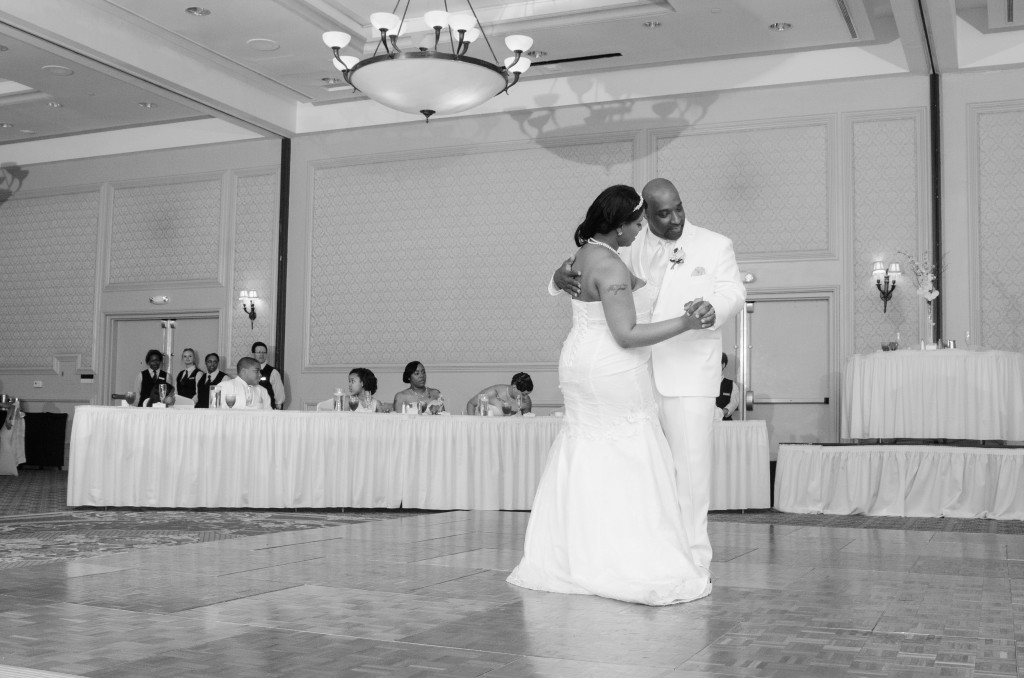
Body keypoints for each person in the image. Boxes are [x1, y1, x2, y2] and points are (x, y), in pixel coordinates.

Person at [508, 184, 711, 606]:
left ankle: (573, 552)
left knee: (586, 448)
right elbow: (627, 334)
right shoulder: (614, 267)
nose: (640, 229)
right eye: (636, 222)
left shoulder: (584, 252)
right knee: (628, 449)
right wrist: (686, 323)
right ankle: (623, 557)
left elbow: (568, 280)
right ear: (619, 225)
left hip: (579, 361)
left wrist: (554, 276)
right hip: (611, 369)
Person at [550, 178, 745, 574]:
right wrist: (557, 278)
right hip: (631, 376)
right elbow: (588, 270)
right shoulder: (628, 239)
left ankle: (693, 561)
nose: (674, 219)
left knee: (690, 476)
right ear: (644, 216)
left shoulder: (714, 244)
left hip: (687, 375)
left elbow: (734, 293)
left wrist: (713, 308)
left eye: (679, 209)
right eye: (663, 214)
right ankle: (644, 554)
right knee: (642, 476)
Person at [467, 372, 533, 415]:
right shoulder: (493, 392)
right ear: (514, 387)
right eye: (523, 394)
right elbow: (471, 404)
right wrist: (473, 424)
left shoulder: (526, 400)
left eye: (528, 394)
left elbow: (527, 423)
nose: (525, 397)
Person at [251, 341, 286, 409]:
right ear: (253, 354)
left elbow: (279, 394)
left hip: (268, 410)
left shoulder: (273, 372)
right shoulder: (248, 371)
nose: (261, 355)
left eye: (264, 352)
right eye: (259, 352)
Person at [717, 352, 740, 421]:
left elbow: (733, 403)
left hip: (725, 424)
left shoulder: (732, 385)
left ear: (723, 365)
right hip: (705, 424)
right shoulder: (704, 384)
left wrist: (720, 413)